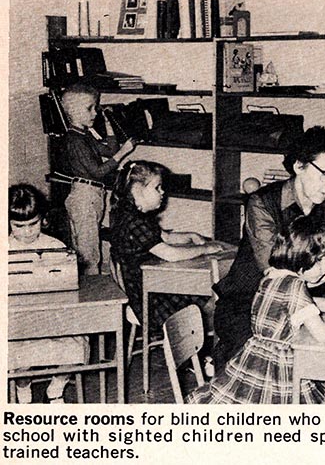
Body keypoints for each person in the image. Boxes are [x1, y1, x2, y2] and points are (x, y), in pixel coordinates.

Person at [214, 126, 325, 368]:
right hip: (250, 304)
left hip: (306, 303)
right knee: (275, 362)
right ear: (299, 166)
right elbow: (275, 272)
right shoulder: (262, 203)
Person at [187, 216, 325, 404]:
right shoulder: (295, 286)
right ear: (302, 258)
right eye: (320, 261)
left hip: (254, 355)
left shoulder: (273, 276)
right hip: (278, 365)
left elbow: (309, 304)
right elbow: (323, 333)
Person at [109, 161, 223, 333]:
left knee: (208, 295)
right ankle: (199, 349)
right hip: (149, 299)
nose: (162, 192)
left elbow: (166, 237)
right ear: (138, 189)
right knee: (212, 303)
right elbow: (170, 254)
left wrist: (190, 236)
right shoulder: (134, 222)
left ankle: (198, 348)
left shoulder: (135, 216)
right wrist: (205, 249)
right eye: (157, 188)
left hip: (153, 286)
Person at [8, 184, 89, 403]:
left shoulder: (56, 247)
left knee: (77, 347)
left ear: (43, 219)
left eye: (33, 224)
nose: (27, 232)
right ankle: (23, 388)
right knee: (18, 357)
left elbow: (69, 288)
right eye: (18, 226)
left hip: (53, 320)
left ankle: (55, 389)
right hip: (16, 325)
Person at [61, 83, 135, 275]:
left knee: (91, 246)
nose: (94, 112)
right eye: (90, 108)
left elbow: (110, 149)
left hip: (93, 194)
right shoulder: (74, 139)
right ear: (75, 111)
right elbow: (98, 171)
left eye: (96, 107)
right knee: (88, 254)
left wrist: (107, 121)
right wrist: (123, 153)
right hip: (84, 195)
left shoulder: (84, 134)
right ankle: (91, 296)